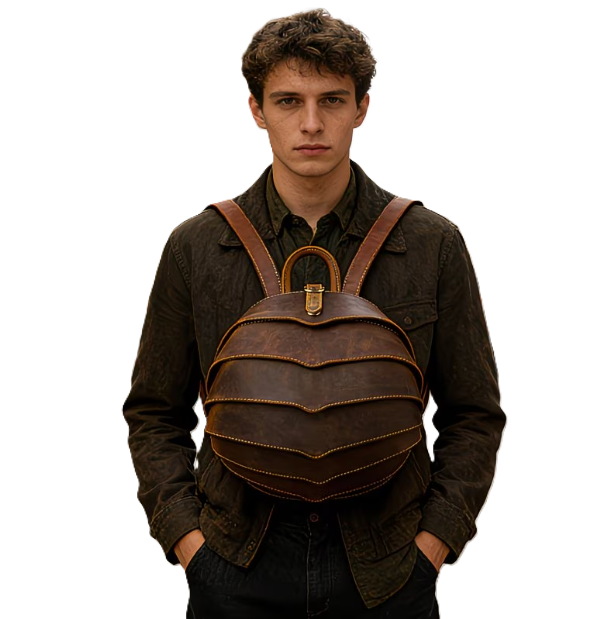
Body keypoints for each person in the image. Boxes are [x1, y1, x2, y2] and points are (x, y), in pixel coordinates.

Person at [123, 9, 506, 618]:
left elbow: (474, 414)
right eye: (287, 101)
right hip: (236, 560)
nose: (310, 123)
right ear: (257, 110)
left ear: (362, 108)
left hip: (386, 567)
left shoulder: (431, 243)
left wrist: (433, 544)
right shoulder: (196, 246)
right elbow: (154, 412)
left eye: (332, 100)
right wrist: (190, 544)